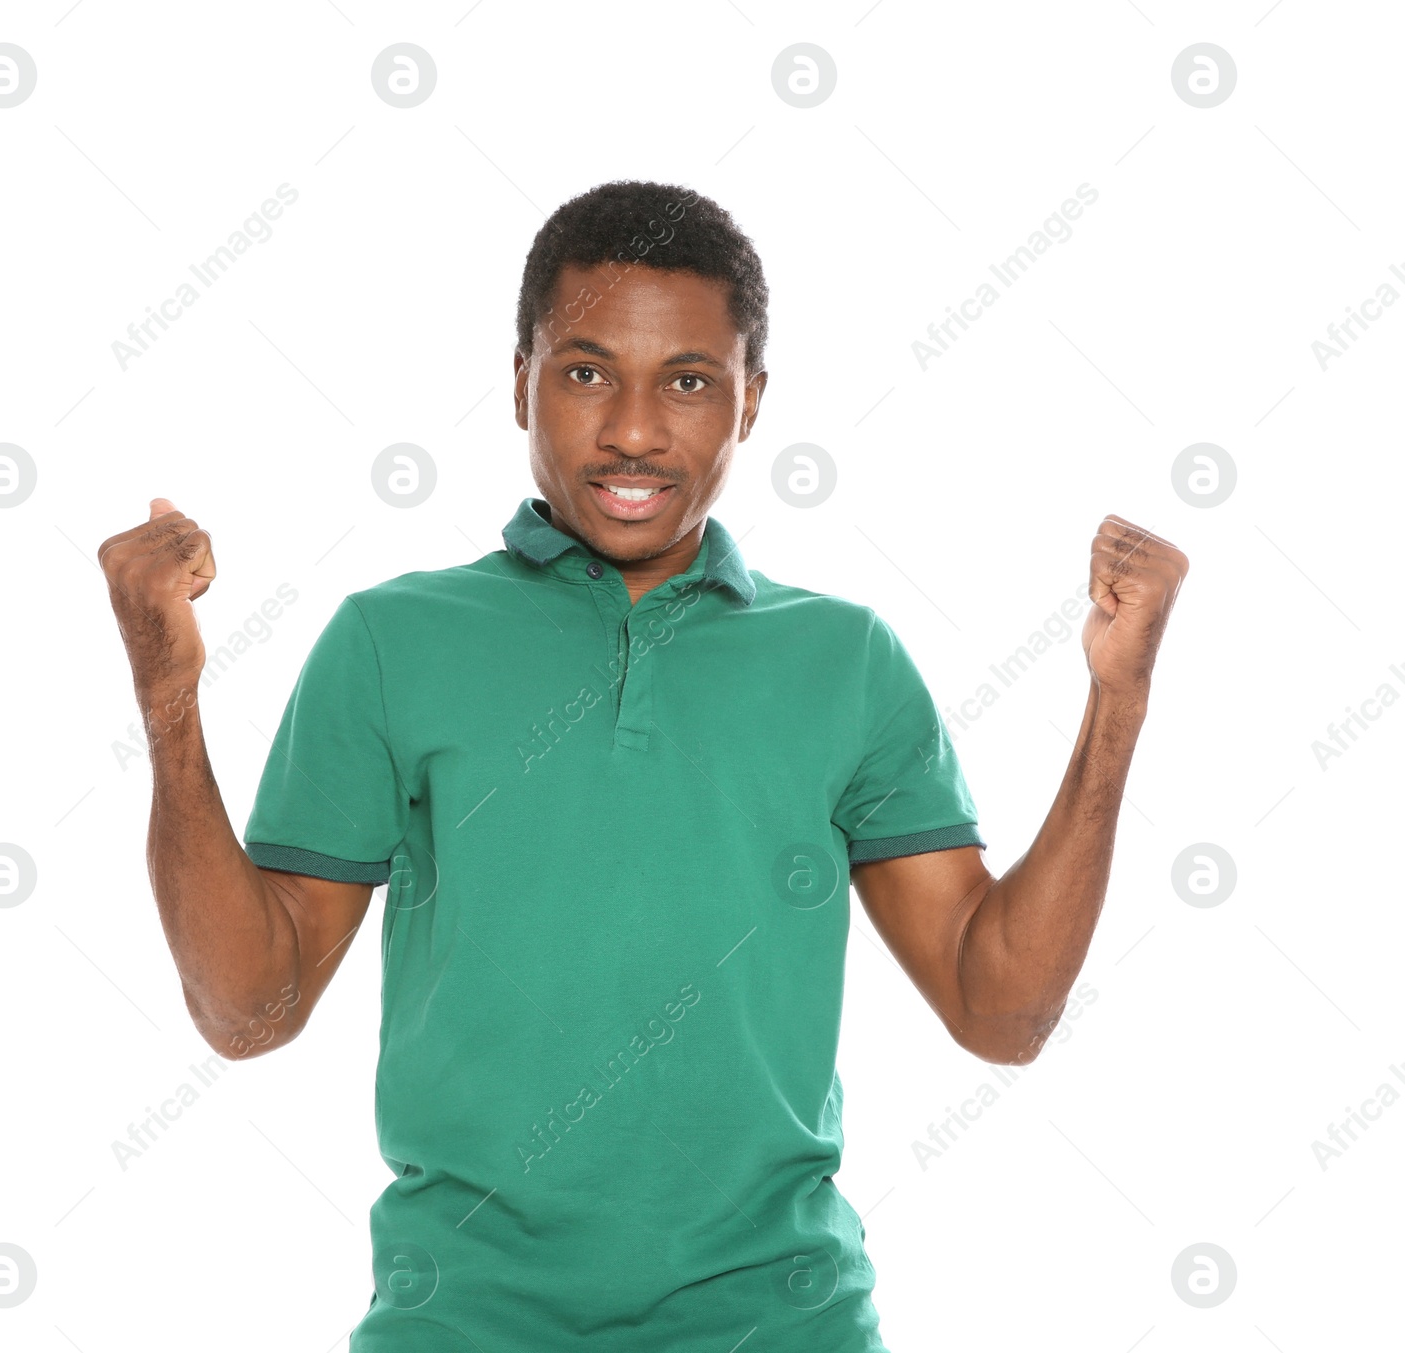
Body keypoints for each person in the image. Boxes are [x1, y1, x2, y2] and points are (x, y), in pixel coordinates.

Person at [98, 179, 1188, 1351]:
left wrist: (1114, 702)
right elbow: (247, 1011)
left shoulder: (844, 660)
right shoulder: (389, 642)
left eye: (687, 382)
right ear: (517, 378)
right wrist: (168, 696)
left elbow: (1001, 1011)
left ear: (749, 402)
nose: (631, 430)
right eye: (583, 373)